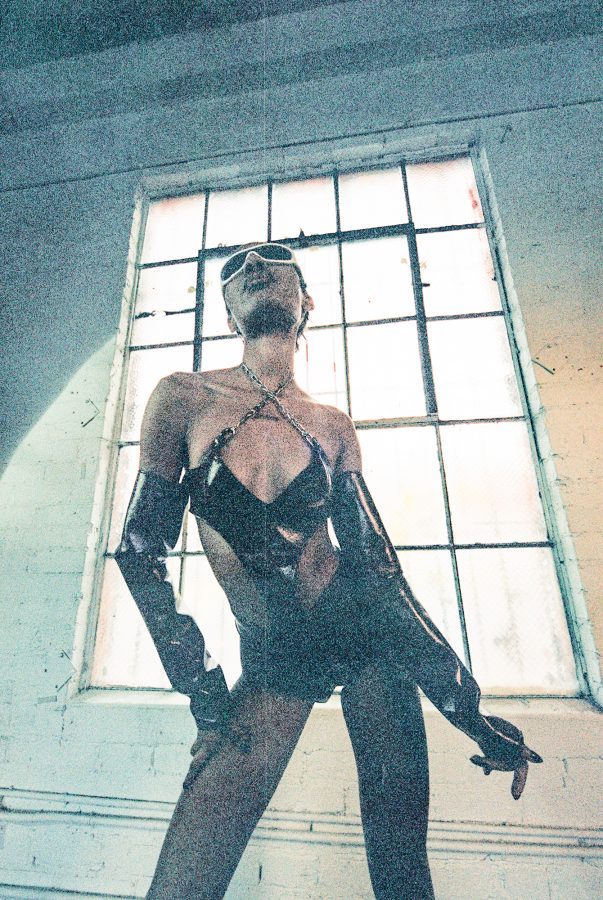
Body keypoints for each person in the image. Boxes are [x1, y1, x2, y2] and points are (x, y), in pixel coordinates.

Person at [115, 242, 542, 899]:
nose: (252, 266)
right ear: (228, 315)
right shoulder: (184, 397)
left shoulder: (332, 425)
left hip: (367, 637)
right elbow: (139, 549)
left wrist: (470, 713)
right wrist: (202, 690)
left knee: (403, 873)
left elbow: (380, 574)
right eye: (234, 268)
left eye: (273, 258)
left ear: (306, 301)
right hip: (277, 656)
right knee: (183, 885)